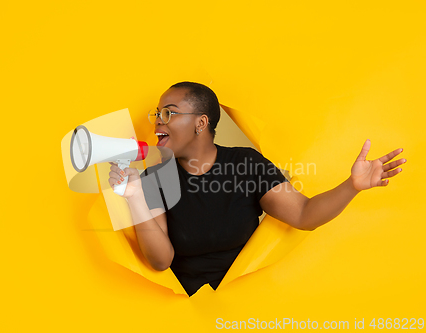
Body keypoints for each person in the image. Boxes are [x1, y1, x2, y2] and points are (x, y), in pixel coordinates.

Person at [108, 81, 406, 296]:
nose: (158, 121)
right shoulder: (155, 176)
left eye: (169, 113)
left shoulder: (245, 163)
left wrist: (352, 186)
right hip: (183, 309)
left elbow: (304, 214)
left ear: (201, 123)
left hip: (247, 302)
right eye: (158, 113)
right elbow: (161, 260)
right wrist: (134, 197)